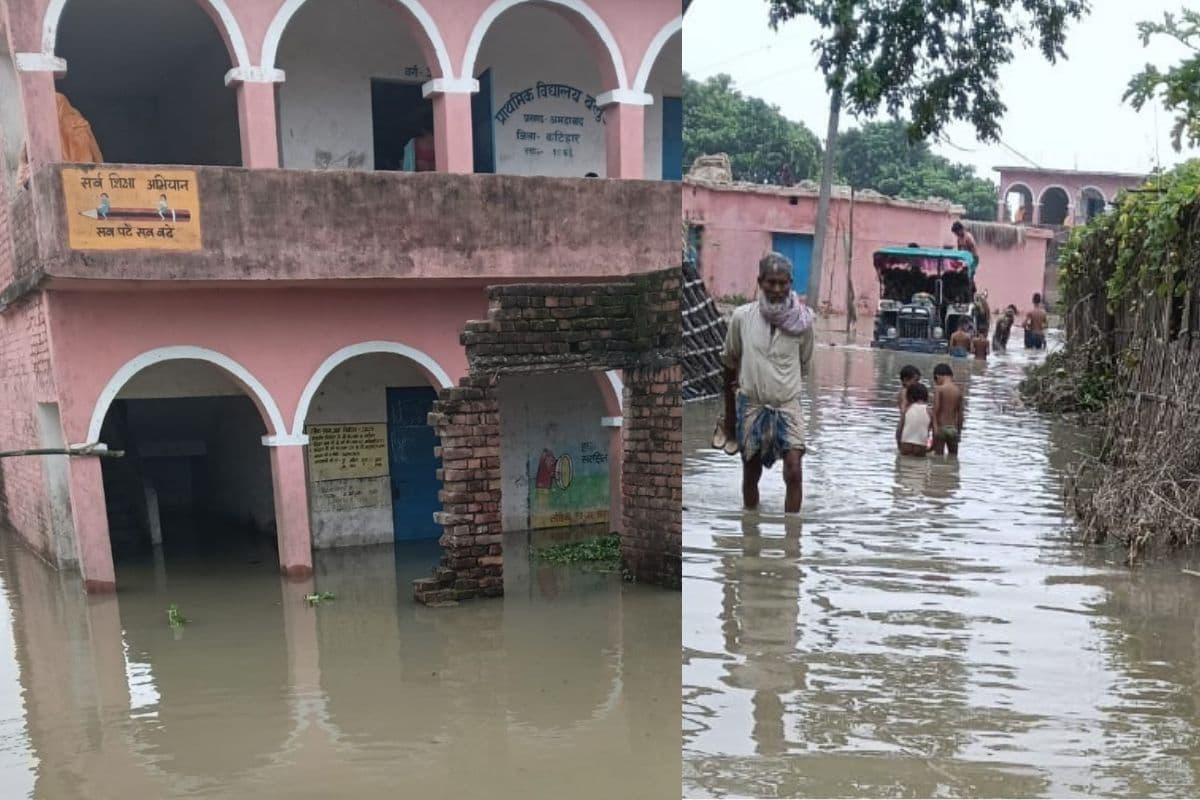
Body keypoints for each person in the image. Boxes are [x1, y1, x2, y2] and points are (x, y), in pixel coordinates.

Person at [722, 252, 815, 515]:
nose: (776, 289)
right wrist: (730, 416)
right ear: (760, 281)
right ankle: (750, 536)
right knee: (751, 474)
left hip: (788, 405)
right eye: (771, 282)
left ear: (791, 284)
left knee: (794, 471)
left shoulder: (805, 323)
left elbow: (805, 365)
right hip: (751, 405)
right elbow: (729, 364)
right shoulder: (742, 318)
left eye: (782, 283)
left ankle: (791, 543)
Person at [931, 363, 964, 456]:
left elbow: (935, 412)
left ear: (937, 376)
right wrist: (959, 433)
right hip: (953, 429)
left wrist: (935, 431)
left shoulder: (939, 389)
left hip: (941, 428)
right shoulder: (958, 390)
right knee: (953, 457)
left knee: (938, 458)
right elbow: (960, 415)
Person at [898, 382, 932, 457]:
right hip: (920, 447)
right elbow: (935, 433)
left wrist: (899, 446)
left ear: (909, 396)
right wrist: (932, 448)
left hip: (905, 445)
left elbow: (899, 431)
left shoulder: (906, 410)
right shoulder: (929, 411)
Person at [895, 364, 921, 447]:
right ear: (906, 380)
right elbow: (903, 411)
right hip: (906, 427)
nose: (917, 384)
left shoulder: (907, 392)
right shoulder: (905, 392)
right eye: (916, 380)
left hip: (906, 427)